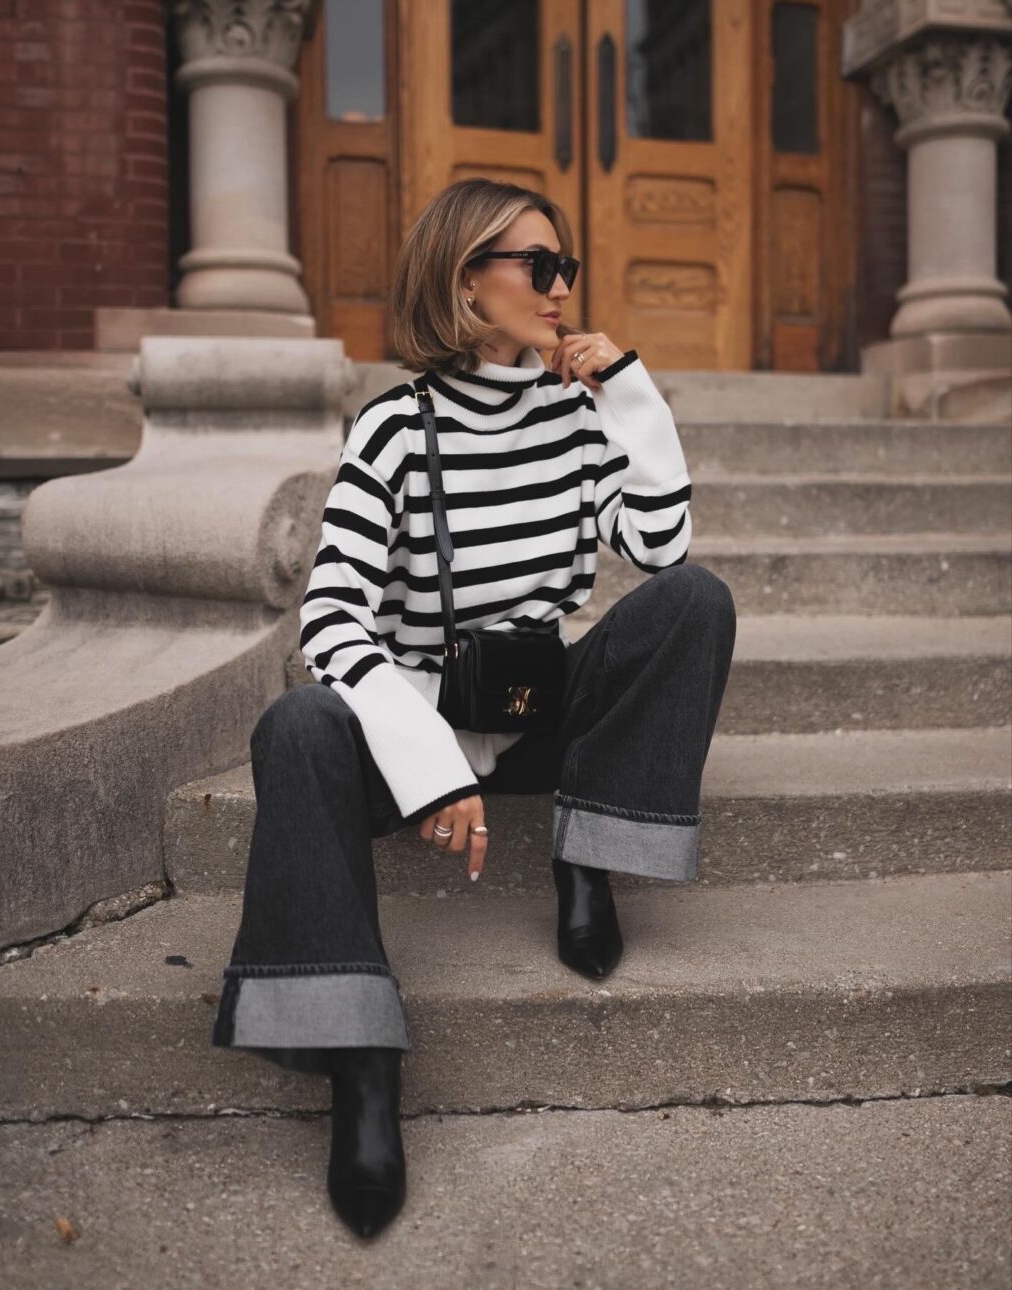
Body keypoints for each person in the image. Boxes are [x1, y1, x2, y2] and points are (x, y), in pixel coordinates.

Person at [211, 178, 737, 1239]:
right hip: (421, 723)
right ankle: (360, 1062)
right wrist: (426, 759)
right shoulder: (397, 426)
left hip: (540, 706)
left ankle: (585, 860)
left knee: (697, 602)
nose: (558, 288)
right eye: (535, 267)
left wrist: (633, 395)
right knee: (297, 727)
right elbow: (328, 615)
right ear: (463, 281)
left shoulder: (578, 414)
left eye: (564, 268)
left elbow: (658, 551)